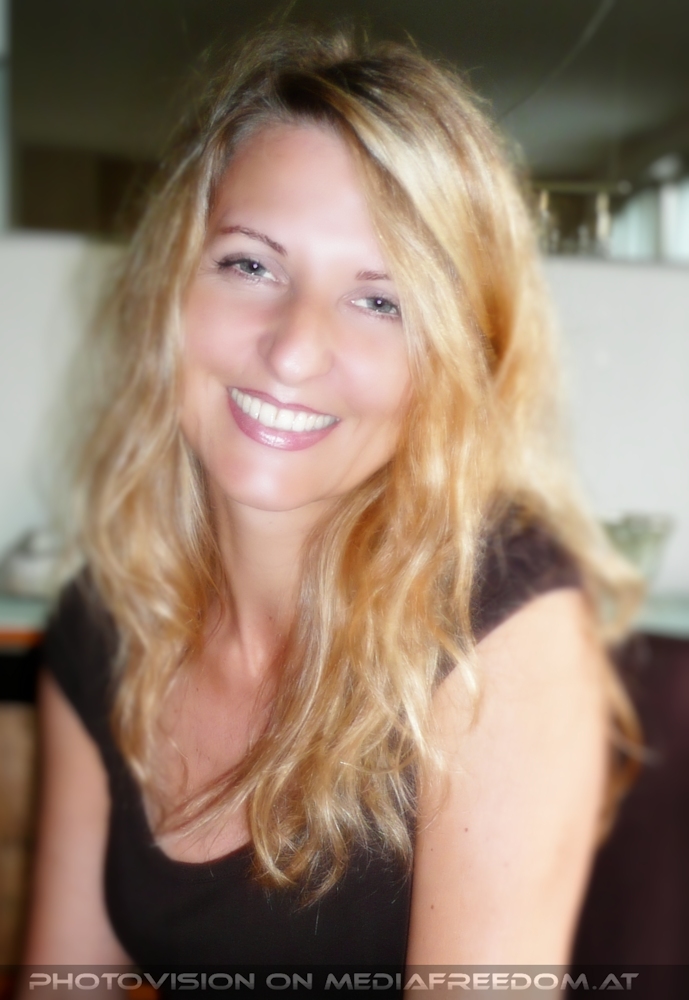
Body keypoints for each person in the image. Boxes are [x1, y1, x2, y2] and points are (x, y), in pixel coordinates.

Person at [23, 29, 639, 979]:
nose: (294, 348)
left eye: (381, 301)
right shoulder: (104, 621)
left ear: (456, 361)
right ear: (170, 286)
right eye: (250, 265)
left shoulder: (501, 629)